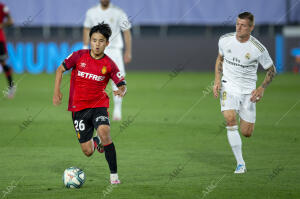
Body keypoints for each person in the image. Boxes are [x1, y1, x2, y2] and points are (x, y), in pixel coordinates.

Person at [53, 23, 127, 184]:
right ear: (90, 41)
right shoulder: (78, 56)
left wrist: (122, 90)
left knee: (104, 132)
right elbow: (60, 69)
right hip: (78, 108)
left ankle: (114, 176)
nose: (97, 44)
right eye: (94, 40)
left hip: (98, 106)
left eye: (101, 41)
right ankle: (96, 141)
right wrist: (57, 91)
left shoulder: (109, 64)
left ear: (107, 43)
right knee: (87, 151)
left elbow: (121, 83)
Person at [213, 12, 276, 174]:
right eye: (237, 24)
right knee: (229, 118)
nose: (239, 28)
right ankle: (240, 163)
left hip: (248, 91)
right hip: (229, 86)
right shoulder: (225, 39)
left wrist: (261, 88)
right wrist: (217, 80)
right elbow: (220, 59)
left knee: (246, 132)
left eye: (243, 25)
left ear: (251, 27)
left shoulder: (258, 49)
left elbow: (271, 70)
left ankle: (243, 116)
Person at [83, 0, 132, 121]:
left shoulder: (119, 13)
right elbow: (86, 29)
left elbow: (126, 32)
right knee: (94, 80)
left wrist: (128, 51)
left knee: (118, 81)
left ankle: (117, 109)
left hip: (114, 50)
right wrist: (85, 48)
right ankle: (94, 110)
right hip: (97, 51)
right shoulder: (91, 12)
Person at [0, 2, 15, 98]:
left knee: (3, 63)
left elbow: (11, 21)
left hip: (0, 40)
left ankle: (11, 87)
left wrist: (2, 24)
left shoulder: (2, 7)